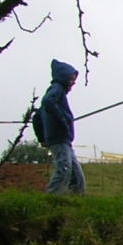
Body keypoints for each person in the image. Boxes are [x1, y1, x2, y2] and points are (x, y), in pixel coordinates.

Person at [38, 59, 85, 195]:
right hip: (59, 139)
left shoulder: (57, 92)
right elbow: (47, 102)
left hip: (64, 140)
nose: (73, 83)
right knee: (64, 169)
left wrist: (42, 137)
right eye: (72, 79)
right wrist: (63, 120)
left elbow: (37, 117)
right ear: (63, 78)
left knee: (76, 173)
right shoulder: (56, 90)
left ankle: (78, 199)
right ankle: (51, 198)